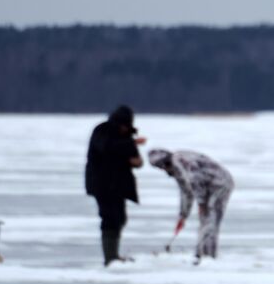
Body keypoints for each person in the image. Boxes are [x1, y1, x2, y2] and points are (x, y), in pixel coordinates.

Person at [147, 148, 234, 263]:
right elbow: (186, 192)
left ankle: (208, 256)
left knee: (211, 219)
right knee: (205, 220)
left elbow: (195, 179)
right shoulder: (176, 169)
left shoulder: (181, 160)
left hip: (219, 183)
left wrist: (201, 202)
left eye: (161, 167)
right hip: (207, 186)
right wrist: (183, 215)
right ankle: (201, 253)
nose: (164, 170)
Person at [84, 105, 144, 266]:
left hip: (117, 186)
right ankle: (110, 258)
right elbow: (108, 148)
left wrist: (131, 147)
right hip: (102, 185)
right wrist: (131, 145)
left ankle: (113, 255)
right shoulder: (102, 131)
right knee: (110, 218)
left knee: (119, 218)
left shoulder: (123, 138)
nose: (125, 129)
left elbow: (136, 161)